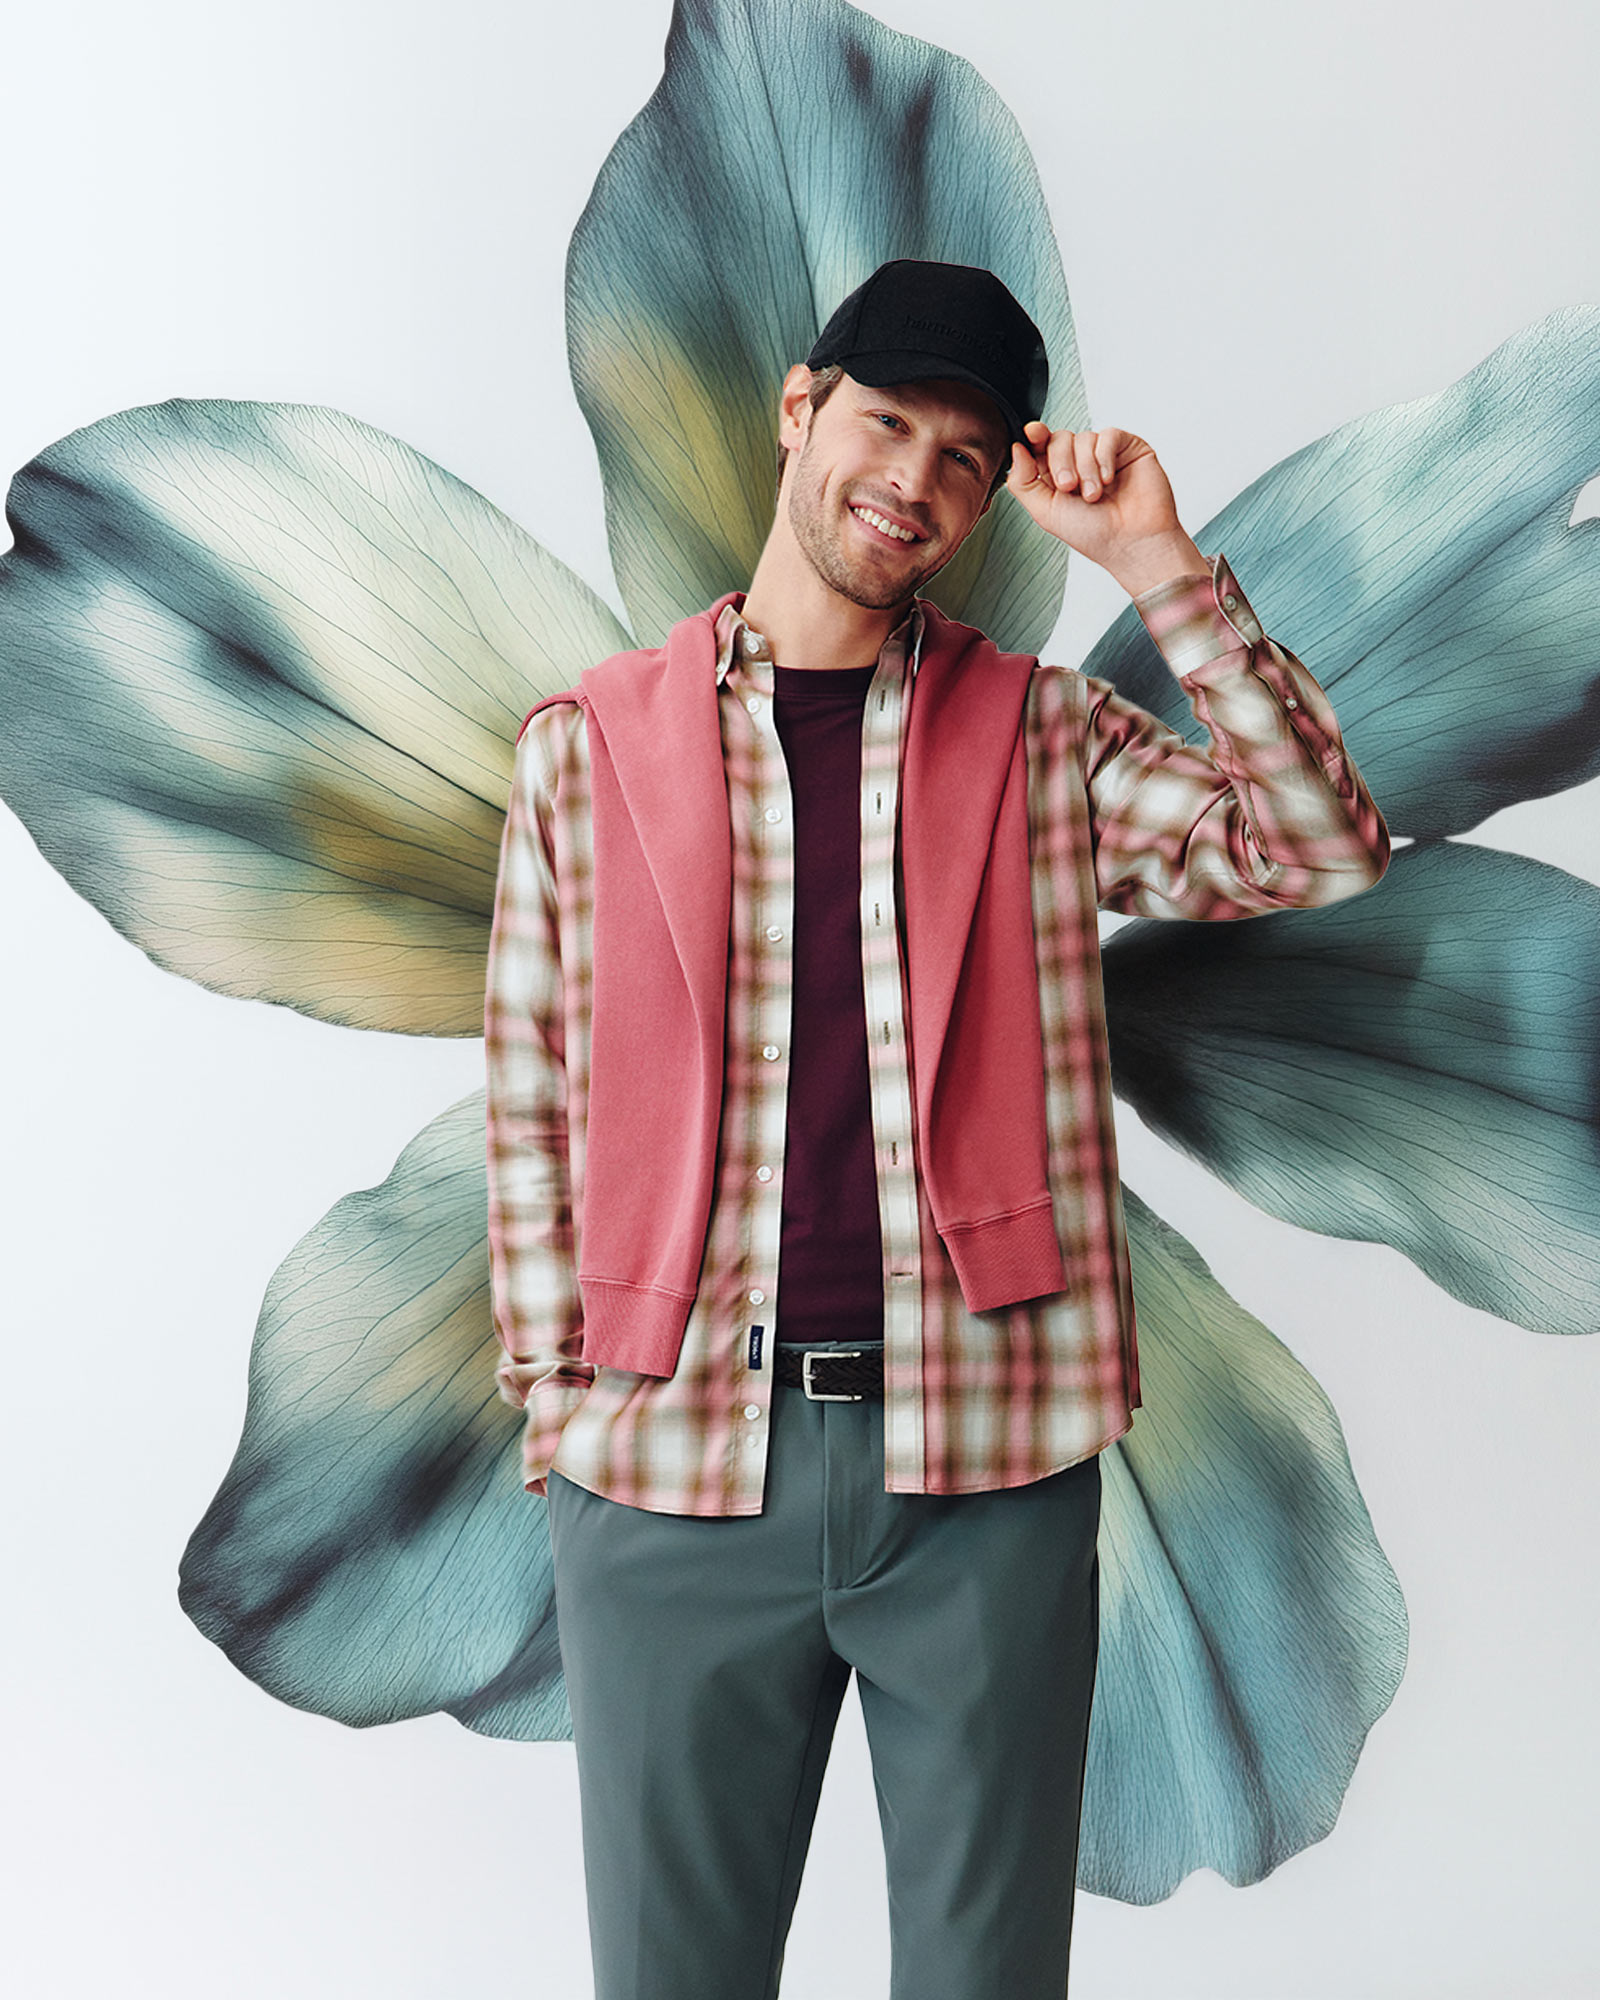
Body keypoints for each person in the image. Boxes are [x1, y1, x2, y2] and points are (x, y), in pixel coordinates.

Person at [483, 259, 1389, 2000]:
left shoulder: (1044, 738)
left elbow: (1315, 848)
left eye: (966, 457)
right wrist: (559, 1410)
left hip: (984, 1469)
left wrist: (1158, 567)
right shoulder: (588, 746)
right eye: (887, 421)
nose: (913, 477)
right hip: (671, 1472)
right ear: (798, 414)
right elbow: (530, 1089)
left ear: (989, 503)